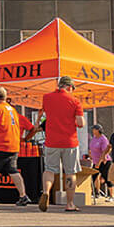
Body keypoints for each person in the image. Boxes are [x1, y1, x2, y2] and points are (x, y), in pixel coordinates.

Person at [37, 77, 84, 213]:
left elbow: (45, 113)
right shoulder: (75, 101)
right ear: (69, 87)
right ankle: (69, 203)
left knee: (50, 169)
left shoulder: (47, 98)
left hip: (52, 141)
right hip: (70, 142)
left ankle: (46, 191)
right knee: (70, 172)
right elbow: (80, 123)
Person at [86, 125, 111, 198]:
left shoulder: (103, 139)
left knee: (107, 178)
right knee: (94, 177)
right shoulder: (94, 138)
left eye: (94, 129)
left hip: (103, 162)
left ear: (98, 130)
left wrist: (99, 163)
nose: (93, 131)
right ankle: (97, 192)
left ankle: (112, 195)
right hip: (95, 161)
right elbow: (91, 148)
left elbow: (105, 152)